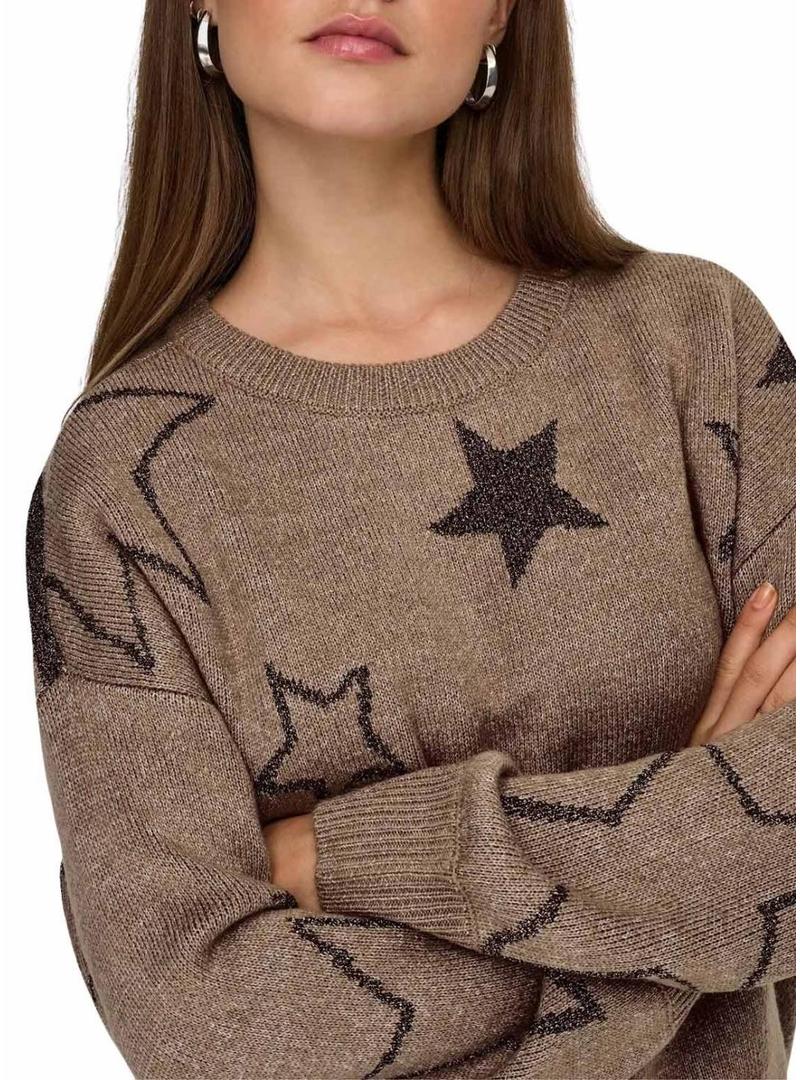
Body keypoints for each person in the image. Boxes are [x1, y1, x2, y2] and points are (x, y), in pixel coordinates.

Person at [25, 1, 795, 1077]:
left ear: (500, 13)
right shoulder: (125, 476)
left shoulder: (693, 346)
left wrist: (360, 857)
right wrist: (686, 878)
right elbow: (201, 1022)